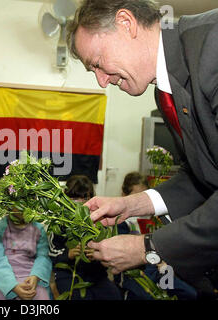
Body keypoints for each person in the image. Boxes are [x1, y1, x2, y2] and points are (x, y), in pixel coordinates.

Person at [68, 0, 218, 298]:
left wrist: (147, 247)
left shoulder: (212, 44)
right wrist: (132, 205)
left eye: (97, 63)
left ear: (126, 23)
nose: (101, 81)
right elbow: (204, 172)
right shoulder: (165, 92)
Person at [116, 172, 197, 300]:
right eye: (134, 196)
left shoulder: (156, 218)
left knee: (188, 293)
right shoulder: (122, 223)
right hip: (136, 273)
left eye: (143, 196)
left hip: (161, 268)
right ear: (125, 195)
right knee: (147, 296)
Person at [49, 175, 122, 300]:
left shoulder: (98, 222)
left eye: (85, 197)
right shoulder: (59, 223)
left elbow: (109, 253)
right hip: (68, 274)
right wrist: (69, 254)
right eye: (74, 197)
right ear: (65, 198)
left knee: (114, 294)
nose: (80, 202)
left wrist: (98, 253)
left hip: (96, 275)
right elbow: (52, 254)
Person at [0, 209, 52, 300]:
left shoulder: (38, 228)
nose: (22, 207)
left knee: (42, 295)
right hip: (0, 277)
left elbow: (43, 256)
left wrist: (36, 276)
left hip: (30, 275)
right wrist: (12, 286)